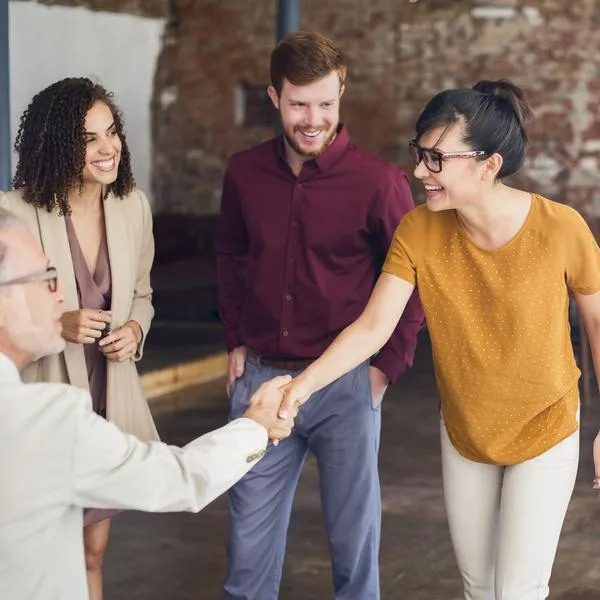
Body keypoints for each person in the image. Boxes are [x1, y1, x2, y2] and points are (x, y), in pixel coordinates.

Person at [272, 79, 600, 599]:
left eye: (436, 158)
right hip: (465, 429)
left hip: (546, 425)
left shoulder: (561, 229)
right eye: (419, 154)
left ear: (488, 164)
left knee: (518, 590)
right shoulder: (419, 230)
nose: (420, 171)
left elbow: (599, 324)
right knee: (477, 587)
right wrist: (301, 386)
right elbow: (373, 326)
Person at [216, 31, 423, 600]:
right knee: (246, 557)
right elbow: (231, 254)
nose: (313, 119)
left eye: (326, 104)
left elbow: (412, 283)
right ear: (273, 97)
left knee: (355, 551)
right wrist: (236, 337)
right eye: (299, 103)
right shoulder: (243, 173)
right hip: (260, 380)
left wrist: (384, 369)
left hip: (345, 384)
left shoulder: (381, 183)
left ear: (341, 96)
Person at [0, 206, 296, 600]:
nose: (59, 294)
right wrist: (256, 424)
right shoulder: (45, 421)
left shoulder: (129, 210)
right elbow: (182, 478)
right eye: (44, 279)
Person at [0, 77, 157, 600]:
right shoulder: (15, 214)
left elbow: (141, 293)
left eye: (111, 133)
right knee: (38, 555)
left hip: (105, 399)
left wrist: (134, 330)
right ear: (58, 144)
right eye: (89, 139)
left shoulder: (133, 206)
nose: (108, 148)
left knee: (91, 552)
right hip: (41, 398)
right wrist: (57, 323)